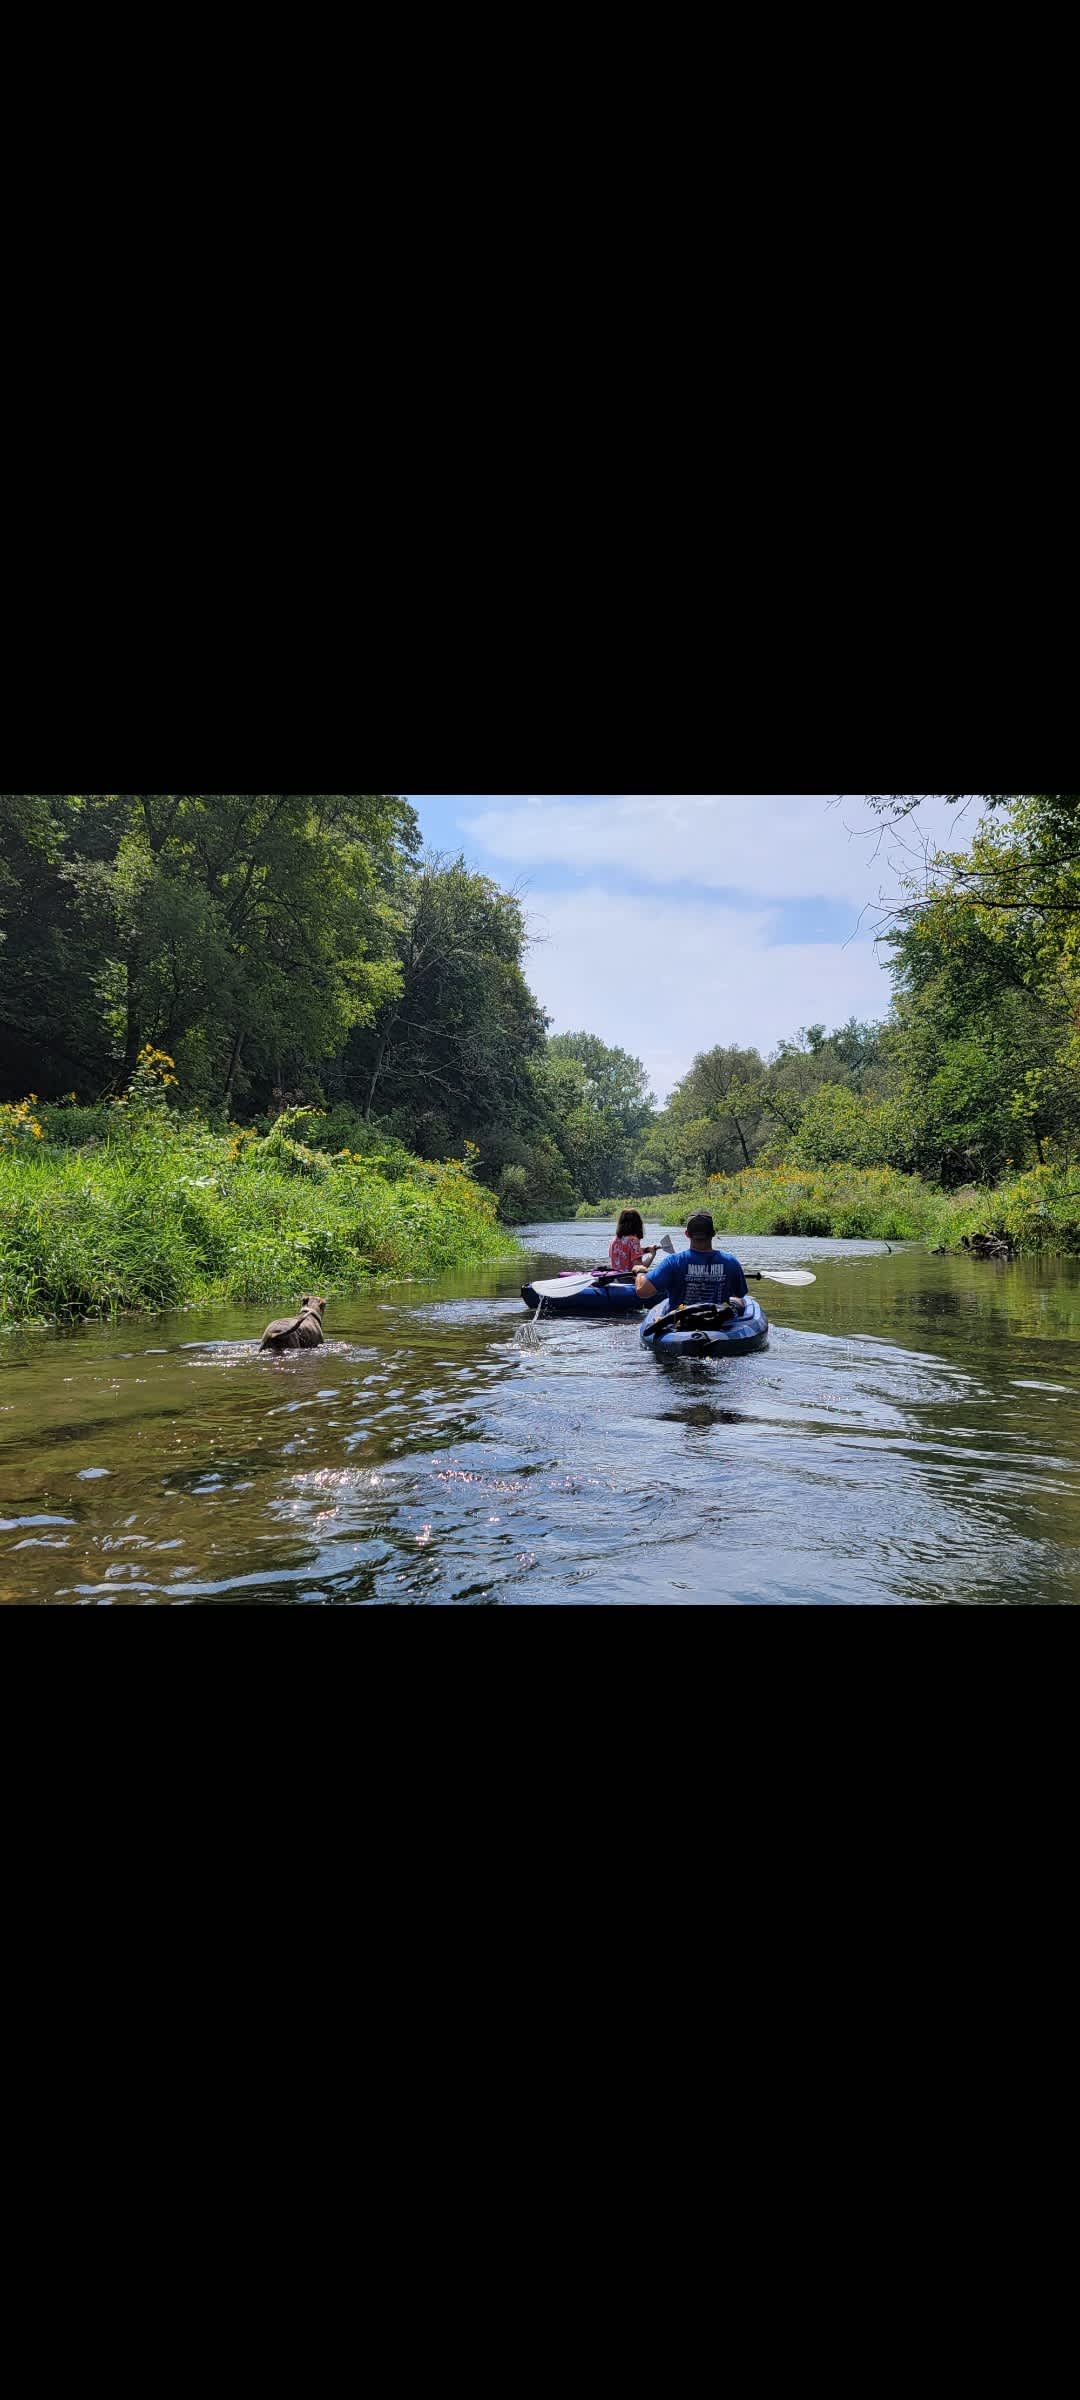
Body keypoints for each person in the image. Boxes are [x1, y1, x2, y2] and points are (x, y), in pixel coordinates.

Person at [634, 1211, 750, 1314]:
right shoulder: (731, 1262)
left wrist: (640, 1272)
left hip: (681, 1326)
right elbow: (740, 1294)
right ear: (713, 1233)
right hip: (719, 1324)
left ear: (687, 1234)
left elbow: (642, 1291)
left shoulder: (673, 1262)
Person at [608, 1209, 658, 1274]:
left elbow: (625, 1253)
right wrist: (652, 1255)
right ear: (638, 1224)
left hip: (615, 1279)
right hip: (628, 1279)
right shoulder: (633, 1241)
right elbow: (639, 1268)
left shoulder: (613, 1240)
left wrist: (646, 1250)